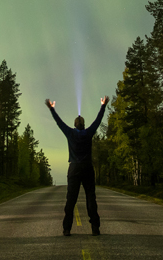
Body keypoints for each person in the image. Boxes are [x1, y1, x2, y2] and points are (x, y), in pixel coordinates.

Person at [45, 96, 109, 236]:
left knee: (71, 199)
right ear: (84, 124)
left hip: (74, 168)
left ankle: (67, 228)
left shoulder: (70, 133)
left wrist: (52, 109)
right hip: (87, 168)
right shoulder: (89, 132)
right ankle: (95, 228)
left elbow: (59, 122)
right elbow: (98, 120)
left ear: (74, 125)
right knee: (90, 197)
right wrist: (103, 105)